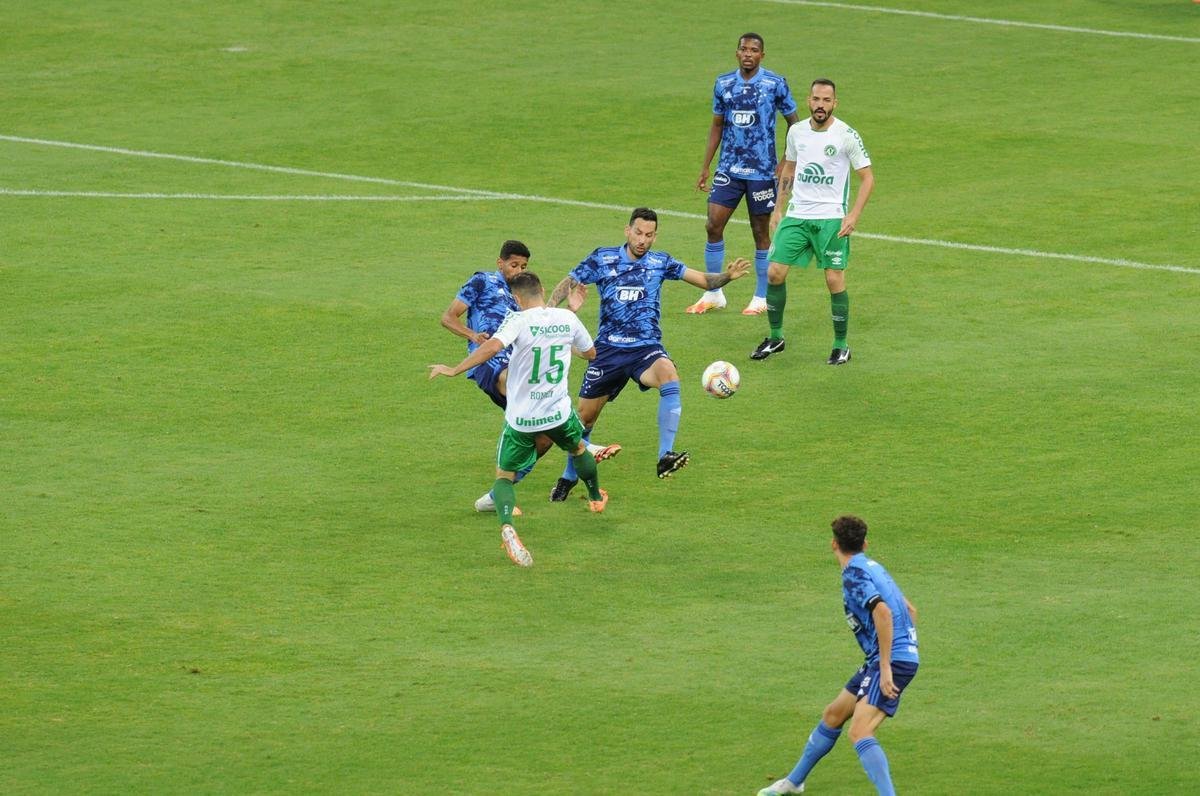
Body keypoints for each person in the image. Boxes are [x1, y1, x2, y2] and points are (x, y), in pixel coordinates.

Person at [546, 207, 750, 500]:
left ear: (655, 236)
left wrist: (727, 276)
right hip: (608, 350)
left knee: (669, 374)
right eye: (639, 233)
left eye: (649, 235)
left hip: (645, 348)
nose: (643, 240)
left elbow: (705, 282)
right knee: (585, 419)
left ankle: (665, 455)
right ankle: (568, 476)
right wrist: (550, 312)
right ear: (627, 231)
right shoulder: (603, 258)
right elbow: (569, 282)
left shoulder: (660, 262)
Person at [429, 272, 608, 567]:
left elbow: (491, 348)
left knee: (504, 477)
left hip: (522, 419)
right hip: (557, 414)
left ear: (516, 298)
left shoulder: (517, 321)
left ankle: (508, 529)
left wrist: (454, 369)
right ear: (543, 290)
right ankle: (594, 497)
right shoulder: (567, 319)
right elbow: (590, 353)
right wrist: (570, 319)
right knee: (577, 448)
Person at [440, 241, 620, 515]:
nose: (518, 270)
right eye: (513, 265)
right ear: (500, 263)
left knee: (544, 437)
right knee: (519, 386)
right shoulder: (482, 281)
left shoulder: (522, 298)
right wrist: (471, 338)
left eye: (523, 266)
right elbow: (449, 317)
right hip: (491, 362)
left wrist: (569, 313)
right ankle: (582, 445)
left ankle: (497, 494)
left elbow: (547, 331)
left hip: (519, 361)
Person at [757, 515, 919, 796]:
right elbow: (910, 610)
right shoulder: (874, 567)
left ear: (833, 544)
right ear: (865, 544)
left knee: (859, 732)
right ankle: (794, 782)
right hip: (888, 658)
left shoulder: (854, 575)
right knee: (834, 714)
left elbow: (883, 612)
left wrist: (889, 665)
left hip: (888, 660)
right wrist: (903, 653)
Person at [751, 78, 875, 365]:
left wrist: (853, 215)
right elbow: (790, 168)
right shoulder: (796, 132)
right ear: (809, 100)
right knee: (774, 273)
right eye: (816, 99)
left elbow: (868, 177)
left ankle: (841, 344)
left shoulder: (846, 135)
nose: (821, 105)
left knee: (833, 279)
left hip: (831, 218)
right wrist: (778, 208)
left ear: (835, 103)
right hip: (797, 214)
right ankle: (775, 336)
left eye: (826, 100)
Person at [691, 32, 800, 317]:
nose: (748, 53)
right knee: (713, 225)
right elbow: (717, 126)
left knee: (760, 232)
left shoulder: (775, 84)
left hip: (762, 172)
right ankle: (714, 292)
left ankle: (761, 296)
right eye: (743, 49)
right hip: (728, 169)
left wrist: (787, 160)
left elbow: (795, 124)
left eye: (754, 50)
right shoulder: (724, 83)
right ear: (736, 53)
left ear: (762, 55)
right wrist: (706, 165)